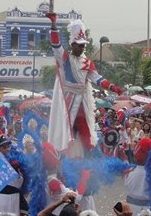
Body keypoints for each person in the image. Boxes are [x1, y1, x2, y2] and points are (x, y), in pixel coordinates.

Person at [45, 14, 122, 157]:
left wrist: (112, 87)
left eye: (83, 45)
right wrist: (54, 24)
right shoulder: (65, 59)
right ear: (73, 44)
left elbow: (98, 79)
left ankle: (89, 164)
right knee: (65, 134)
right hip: (67, 101)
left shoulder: (87, 62)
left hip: (82, 103)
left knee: (86, 135)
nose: (81, 47)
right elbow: (56, 45)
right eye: (79, 45)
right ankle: (62, 162)